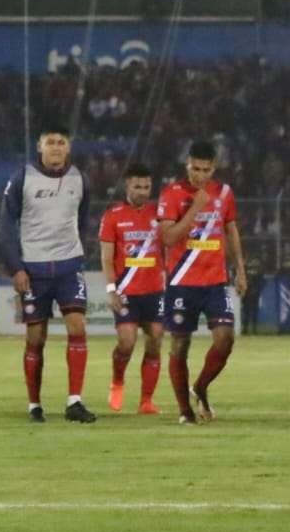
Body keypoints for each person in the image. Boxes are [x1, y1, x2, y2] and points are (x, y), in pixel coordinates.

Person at [0, 124, 97, 423]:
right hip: (34, 269)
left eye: (61, 142)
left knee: (78, 327)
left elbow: (82, 220)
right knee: (36, 338)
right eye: (50, 142)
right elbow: (6, 224)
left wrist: (77, 252)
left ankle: (74, 402)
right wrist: (16, 267)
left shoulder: (80, 179)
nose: (56, 147)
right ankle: (34, 405)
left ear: (68, 147)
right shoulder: (22, 178)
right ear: (39, 146)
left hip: (68, 267)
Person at [157, 139, 248, 424]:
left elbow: (231, 231)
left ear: (214, 168)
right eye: (195, 169)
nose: (200, 175)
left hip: (215, 282)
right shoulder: (171, 194)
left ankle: (201, 386)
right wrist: (195, 208)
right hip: (182, 282)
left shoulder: (224, 193)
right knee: (179, 346)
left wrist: (241, 270)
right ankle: (185, 411)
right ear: (187, 165)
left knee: (225, 339)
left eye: (206, 170)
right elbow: (168, 238)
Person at [98, 163, 165, 414]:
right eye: (138, 186)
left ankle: (146, 401)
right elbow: (106, 257)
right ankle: (117, 381)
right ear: (127, 185)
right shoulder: (113, 215)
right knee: (127, 342)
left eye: (147, 187)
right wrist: (111, 288)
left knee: (156, 340)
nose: (143, 191)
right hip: (126, 290)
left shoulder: (159, 214)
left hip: (154, 289)